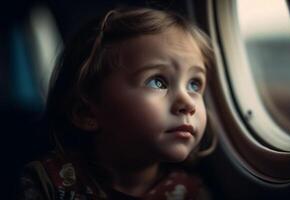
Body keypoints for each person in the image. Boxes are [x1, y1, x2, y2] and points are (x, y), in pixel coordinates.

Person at [17, 6, 217, 200]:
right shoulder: (48, 184)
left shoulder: (190, 192)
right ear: (87, 113)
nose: (188, 103)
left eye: (194, 84)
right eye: (157, 81)